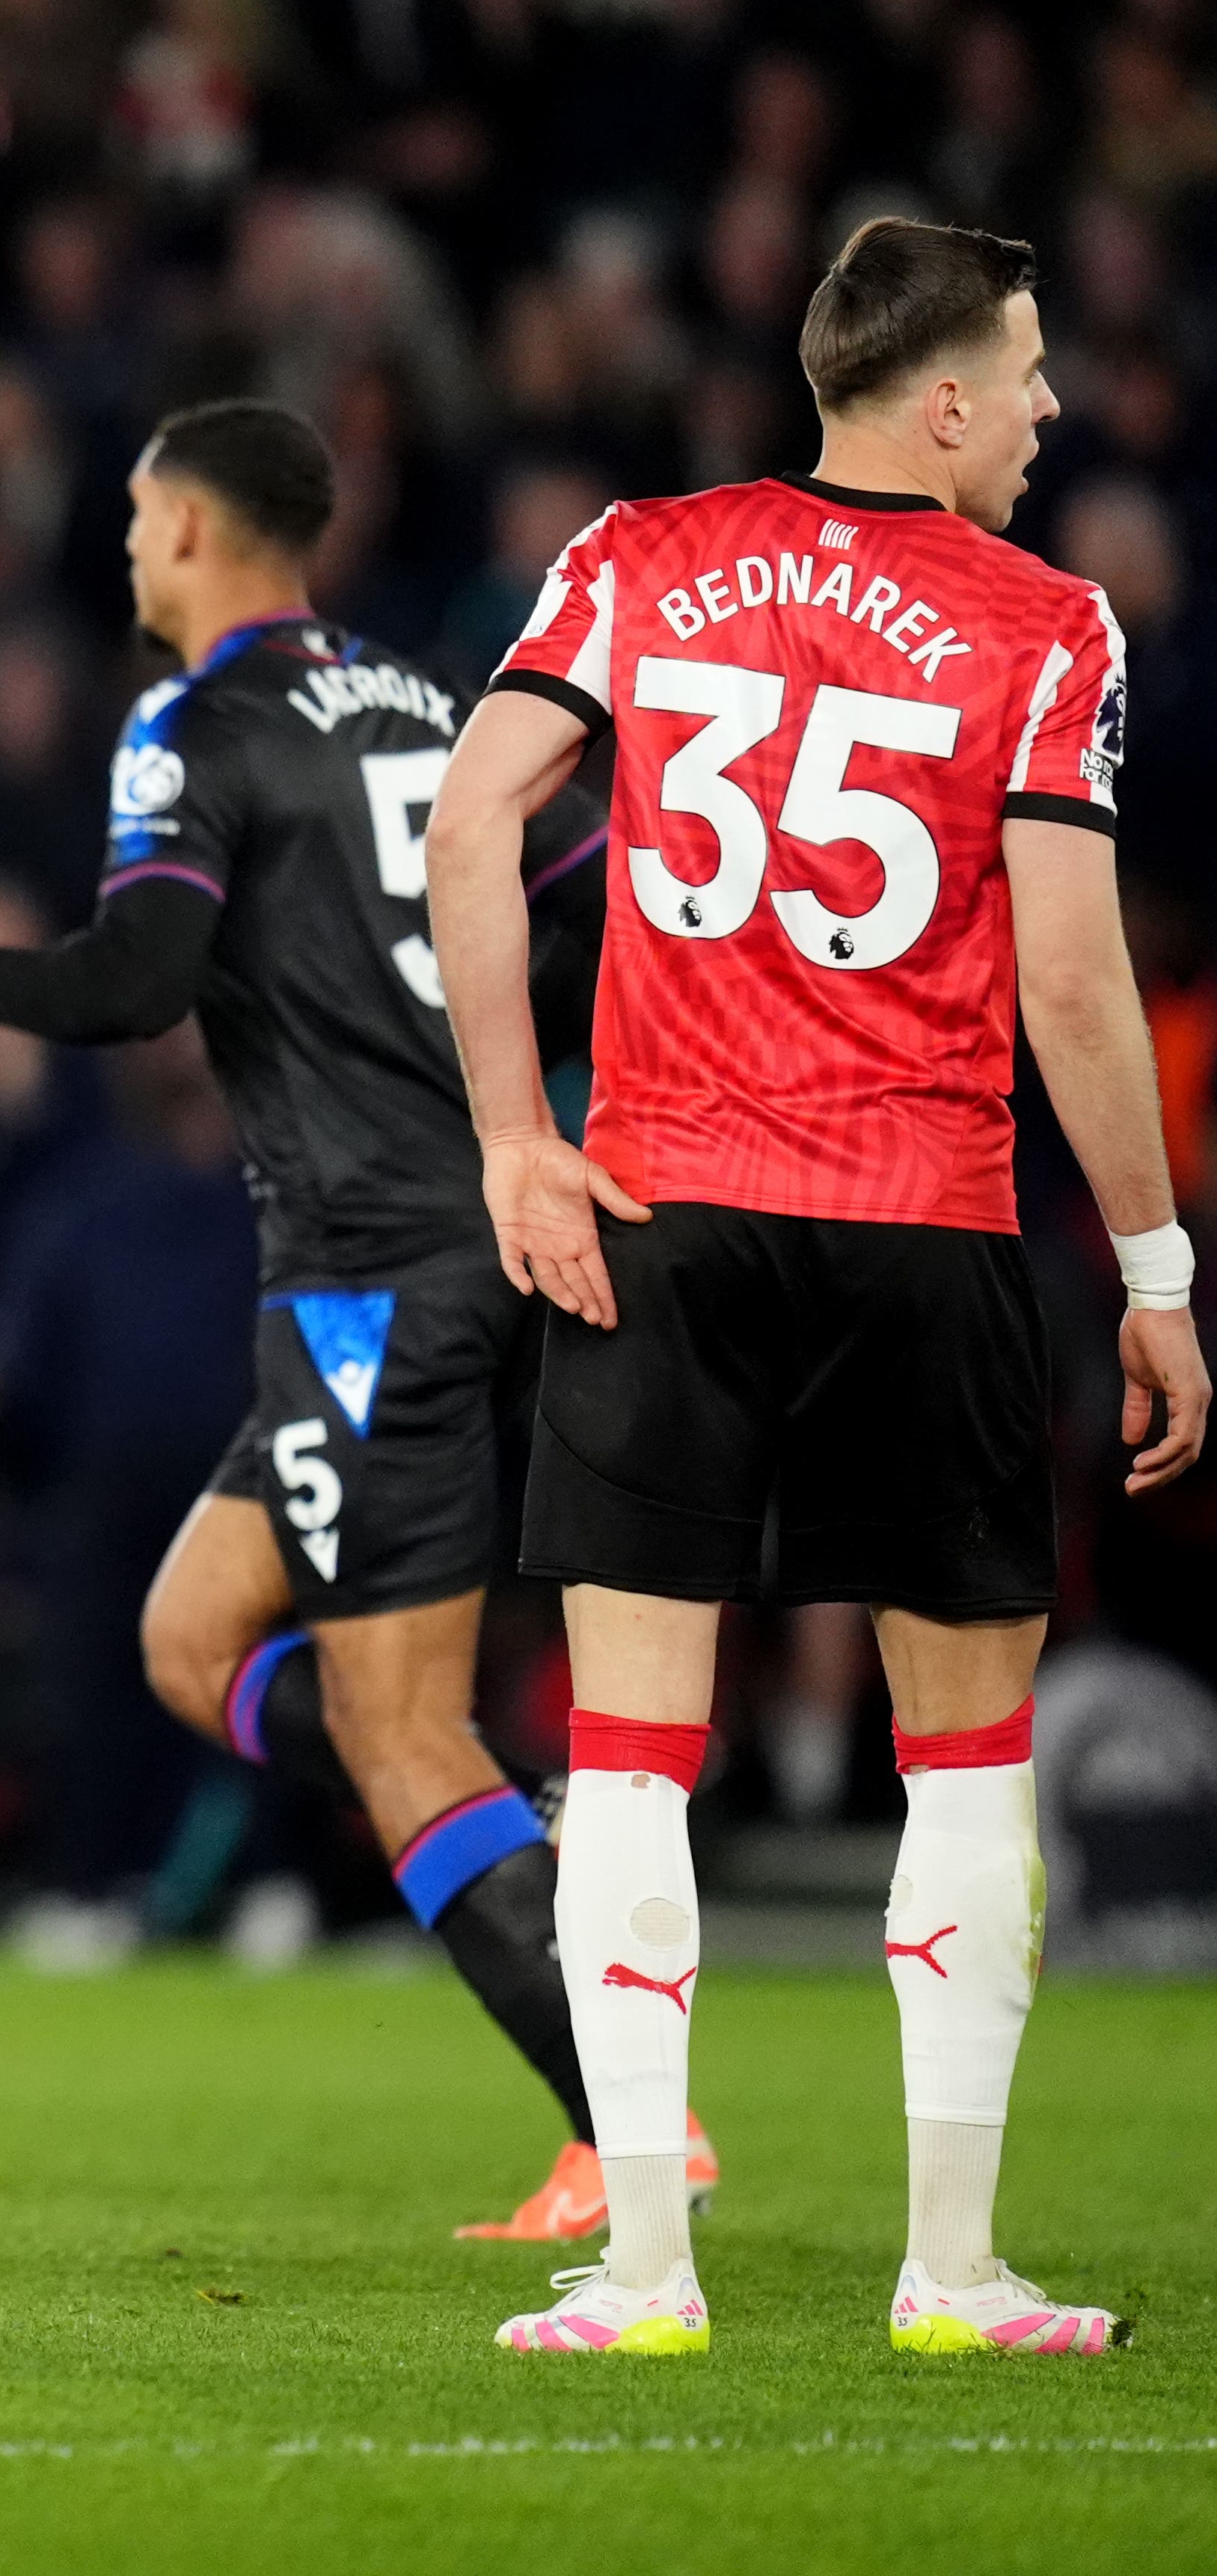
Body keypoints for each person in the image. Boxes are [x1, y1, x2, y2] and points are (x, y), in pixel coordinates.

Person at [427, 216, 1204, 2358]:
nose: (1050, 410)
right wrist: (1151, 1267)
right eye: (1028, 373)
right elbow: (1061, 969)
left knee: (629, 1750)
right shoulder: (1044, 624)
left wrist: (512, 1130)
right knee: (961, 1763)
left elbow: (475, 818)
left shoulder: (637, 556)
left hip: (662, 1217)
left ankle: (647, 2278)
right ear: (936, 396)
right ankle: (947, 2275)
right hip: (922, 1223)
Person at [0, 399, 699, 2240]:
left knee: (397, 1728)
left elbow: (135, 981)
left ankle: (629, 2119)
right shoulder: (430, 705)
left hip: (367, 1272)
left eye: (127, 509)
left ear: (185, 525)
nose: (119, 544)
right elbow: (585, 918)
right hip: (474, 1226)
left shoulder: (200, 719)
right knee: (195, 1638)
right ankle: (530, 1845)